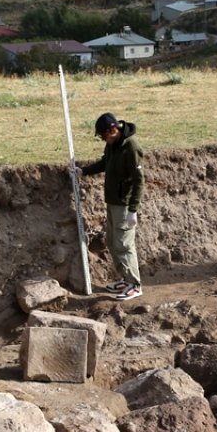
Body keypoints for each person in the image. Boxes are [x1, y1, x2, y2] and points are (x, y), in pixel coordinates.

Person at [78, 112, 145, 300]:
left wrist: (133, 210)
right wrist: (84, 171)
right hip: (112, 201)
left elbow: (139, 181)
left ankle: (135, 284)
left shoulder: (131, 147)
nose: (103, 139)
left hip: (124, 205)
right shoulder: (112, 145)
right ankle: (124, 279)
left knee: (123, 244)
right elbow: (105, 163)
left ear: (113, 130)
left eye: (103, 135)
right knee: (112, 242)